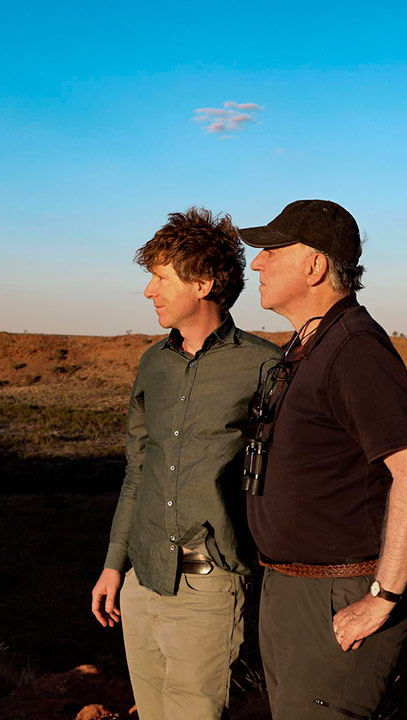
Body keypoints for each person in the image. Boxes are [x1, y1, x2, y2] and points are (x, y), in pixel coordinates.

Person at [238, 200, 407, 719]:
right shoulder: (310, 344)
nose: (256, 263)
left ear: (315, 265)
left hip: (338, 593)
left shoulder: (355, 349)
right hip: (291, 587)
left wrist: (383, 597)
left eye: (271, 251)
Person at [90, 207, 282, 720]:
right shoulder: (153, 363)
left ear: (203, 282)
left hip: (209, 588)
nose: (149, 291)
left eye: (159, 278)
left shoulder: (265, 365)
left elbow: (287, 476)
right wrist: (114, 565)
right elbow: (138, 468)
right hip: (141, 582)